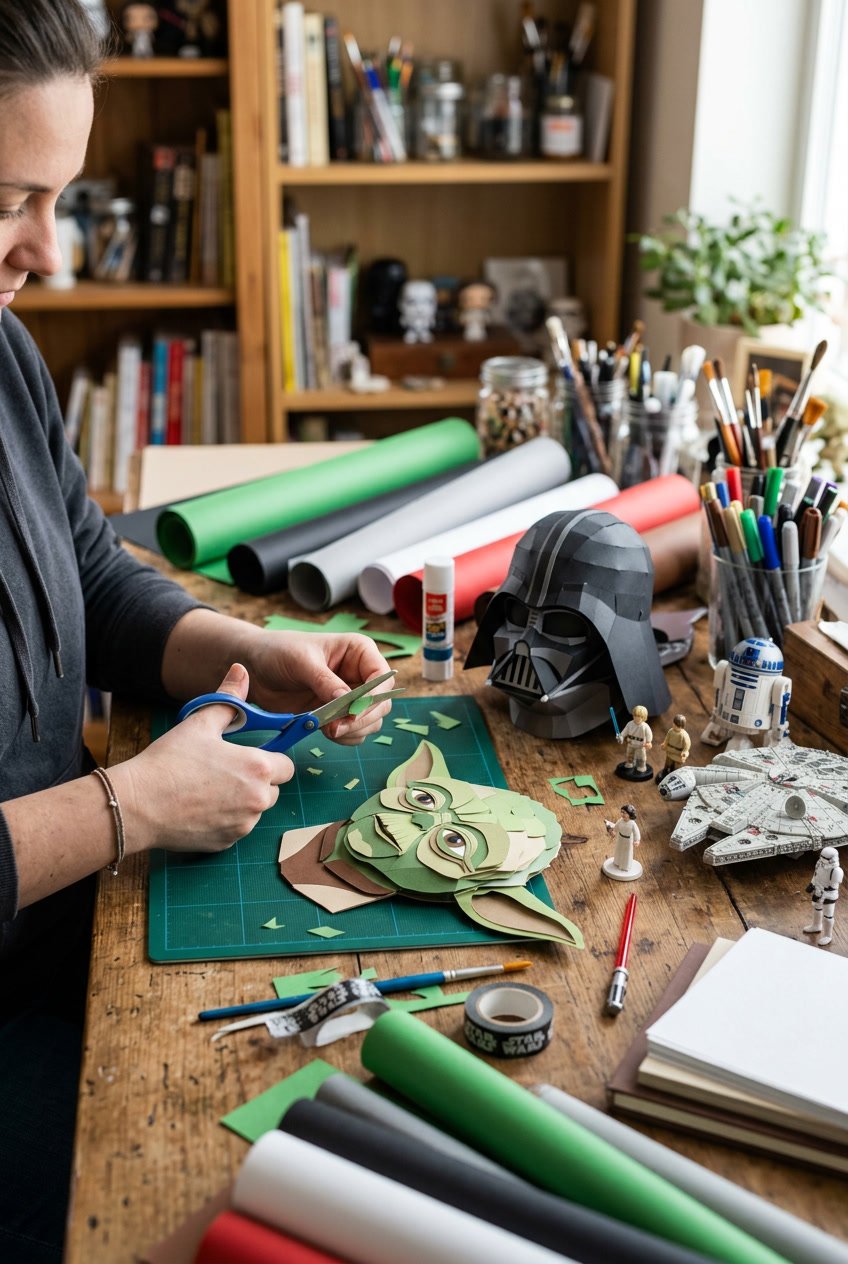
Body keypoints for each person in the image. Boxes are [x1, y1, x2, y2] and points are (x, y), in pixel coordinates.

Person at [0, 5, 391, 1259]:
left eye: (56, 198)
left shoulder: (2, 354)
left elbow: (95, 582)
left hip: (65, 943)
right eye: (9, 200)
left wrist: (238, 638)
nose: (47, 254)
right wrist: (131, 809)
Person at [602, 805, 642, 882]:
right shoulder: (620, 821)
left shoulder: (632, 824)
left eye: (624, 813)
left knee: (626, 853)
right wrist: (613, 831)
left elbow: (636, 833)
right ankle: (617, 862)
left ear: (630, 814)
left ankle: (625, 866)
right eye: (622, 812)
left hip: (628, 841)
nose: (622, 814)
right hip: (620, 839)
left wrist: (637, 840)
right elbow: (616, 827)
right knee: (619, 850)